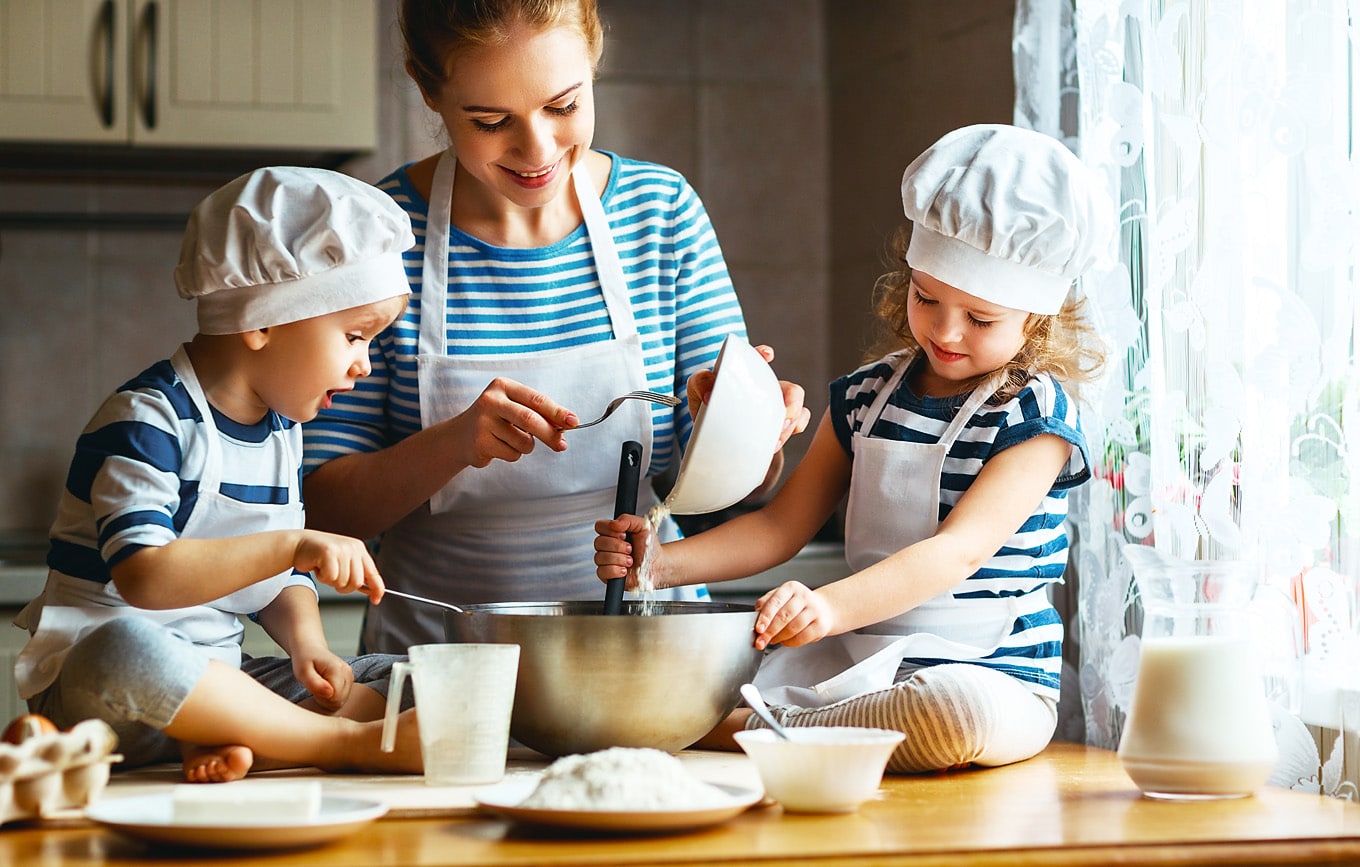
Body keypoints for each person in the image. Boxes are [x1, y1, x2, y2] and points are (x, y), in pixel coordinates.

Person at [595, 124, 1114, 773]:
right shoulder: (864, 398)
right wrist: (658, 563)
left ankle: (739, 728)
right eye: (927, 296)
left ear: (1036, 316)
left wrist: (830, 605)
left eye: (981, 318)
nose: (946, 330)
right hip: (860, 665)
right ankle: (790, 727)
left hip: (995, 674)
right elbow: (780, 527)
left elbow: (958, 551)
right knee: (724, 671)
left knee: (955, 709)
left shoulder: (1035, 417)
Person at [301, 0, 809, 654]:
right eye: (490, 120)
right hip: (440, 659)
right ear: (429, 88)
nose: (537, 149)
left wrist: (751, 426)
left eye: (563, 106)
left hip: (647, 650)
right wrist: (454, 444)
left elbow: (736, 484)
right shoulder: (378, 237)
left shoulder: (661, 215)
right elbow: (320, 507)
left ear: (594, 60)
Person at [12, 167, 426, 783]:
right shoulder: (149, 419)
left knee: (410, 680)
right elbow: (145, 577)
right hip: (104, 691)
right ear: (262, 322)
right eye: (355, 336)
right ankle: (342, 744)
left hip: (220, 682)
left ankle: (238, 737)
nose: (365, 364)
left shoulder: (282, 431)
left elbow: (276, 580)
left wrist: (307, 646)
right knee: (125, 651)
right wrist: (294, 544)